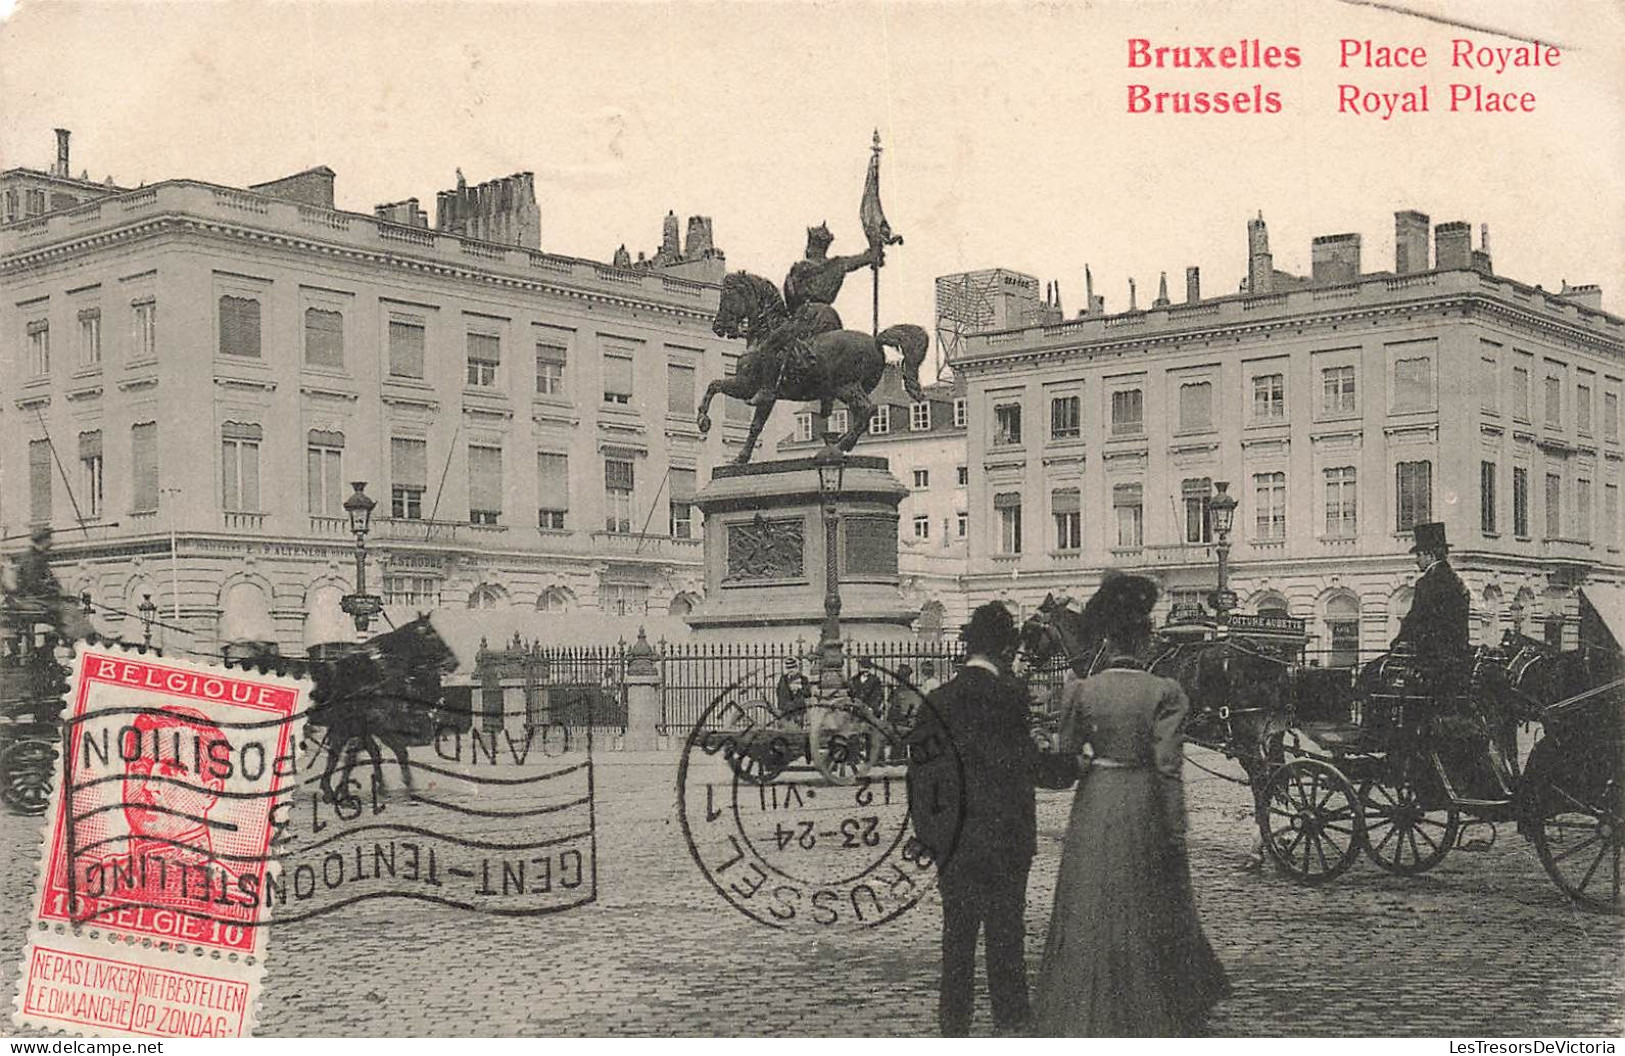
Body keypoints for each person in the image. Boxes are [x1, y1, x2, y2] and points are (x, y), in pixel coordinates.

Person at [1034, 574, 1228, 1037]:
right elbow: (1166, 764)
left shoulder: (1080, 689)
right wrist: (1175, 819)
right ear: (1144, 637)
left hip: (1096, 798)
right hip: (1142, 797)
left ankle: (1083, 998)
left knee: (1090, 896)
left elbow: (1067, 755)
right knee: (1151, 896)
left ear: (1106, 636)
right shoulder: (1164, 692)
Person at [911, 602, 1076, 1037]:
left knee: (957, 940)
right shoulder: (1011, 696)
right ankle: (1012, 1023)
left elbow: (921, 777)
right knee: (1007, 937)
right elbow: (1029, 766)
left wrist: (930, 836)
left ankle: (954, 1027)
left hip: (956, 842)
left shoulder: (938, 699)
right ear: (1004, 647)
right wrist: (1070, 765)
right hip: (1007, 839)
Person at [82, 706, 248, 908]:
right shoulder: (101, 878)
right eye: (139, 770)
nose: (149, 787)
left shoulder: (232, 899)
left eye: (171, 772)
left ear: (208, 793)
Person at [748, 223, 882, 406]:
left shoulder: (801, 267)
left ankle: (767, 390)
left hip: (807, 315)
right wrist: (874, 253)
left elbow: (792, 296)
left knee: (770, 346)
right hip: (830, 317)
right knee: (831, 356)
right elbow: (861, 260)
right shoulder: (839, 264)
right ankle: (826, 399)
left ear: (810, 245)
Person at [1391, 521, 1472, 696]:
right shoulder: (1457, 581)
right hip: (1458, 654)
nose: (1416, 560)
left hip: (1431, 655)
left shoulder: (1426, 582)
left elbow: (1416, 618)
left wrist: (1397, 643)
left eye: (1419, 554)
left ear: (1430, 555)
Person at [774, 656, 813, 723]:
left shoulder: (804, 679)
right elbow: (779, 692)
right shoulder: (783, 679)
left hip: (798, 710)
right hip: (785, 710)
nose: (791, 670)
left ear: (797, 668)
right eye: (788, 668)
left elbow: (808, 693)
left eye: (793, 667)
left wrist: (799, 688)